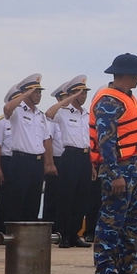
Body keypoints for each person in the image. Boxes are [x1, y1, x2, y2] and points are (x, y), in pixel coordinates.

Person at [89, 54, 137, 274]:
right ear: (127, 75)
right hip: (118, 170)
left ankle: (128, 264)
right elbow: (105, 141)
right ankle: (104, 267)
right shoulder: (109, 101)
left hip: (134, 167)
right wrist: (115, 174)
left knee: (131, 221)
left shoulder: (128, 98)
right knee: (111, 219)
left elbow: (132, 137)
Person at [0, 74, 56, 232]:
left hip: (37, 162)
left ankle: (30, 236)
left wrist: (48, 162)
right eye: (35, 92)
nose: (38, 95)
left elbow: (45, 139)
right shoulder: (18, 111)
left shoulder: (39, 115)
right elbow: (7, 109)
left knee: (33, 200)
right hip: (21, 161)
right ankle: (13, 236)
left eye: (39, 92)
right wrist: (24, 94)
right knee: (17, 200)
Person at [44, 76, 92, 248]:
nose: (84, 95)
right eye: (80, 92)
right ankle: (63, 234)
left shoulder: (87, 114)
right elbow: (49, 114)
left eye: (85, 92)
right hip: (69, 155)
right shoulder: (64, 113)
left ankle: (74, 234)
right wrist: (69, 100)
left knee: (81, 198)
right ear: (72, 93)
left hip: (85, 156)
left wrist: (92, 164)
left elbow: (89, 139)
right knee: (66, 197)